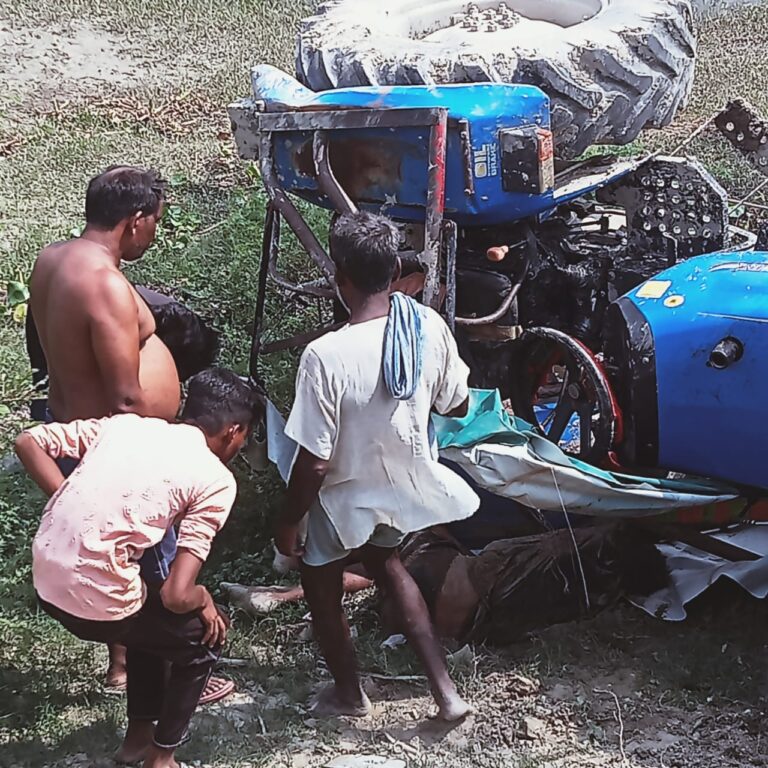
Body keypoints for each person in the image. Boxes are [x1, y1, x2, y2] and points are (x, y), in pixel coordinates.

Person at [27, 165, 231, 702]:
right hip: (112, 447)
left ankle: (122, 666)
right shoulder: (107, 286)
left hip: (68, 423)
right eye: (156, 221)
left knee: (111, 555)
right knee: (154, 561)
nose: (155, 233)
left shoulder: (53, 259)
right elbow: (126, 399)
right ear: (135, 221)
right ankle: (169, 666)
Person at [275, 211, 479, 721]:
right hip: (402, 486)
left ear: (338, 275)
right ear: (393, 270)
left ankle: (349, 692)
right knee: (388, 568)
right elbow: (457, 404)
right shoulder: (425, 326)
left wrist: (287, 519)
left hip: (344, 496)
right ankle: (446, 693)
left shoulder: (326, 356)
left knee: (321, 585)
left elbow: (316, 462)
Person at [14, 368, 260, 768]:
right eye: (246, 437)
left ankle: (137, 741)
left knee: (149, 619)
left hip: (45, 580)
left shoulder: (125, 428)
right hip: (96, 604)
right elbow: (178, 595)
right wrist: (205, 601)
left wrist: (67, 498)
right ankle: (162, 759)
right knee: (203, 638)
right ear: (234, 430)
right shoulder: (215, 478)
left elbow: (28, 440)